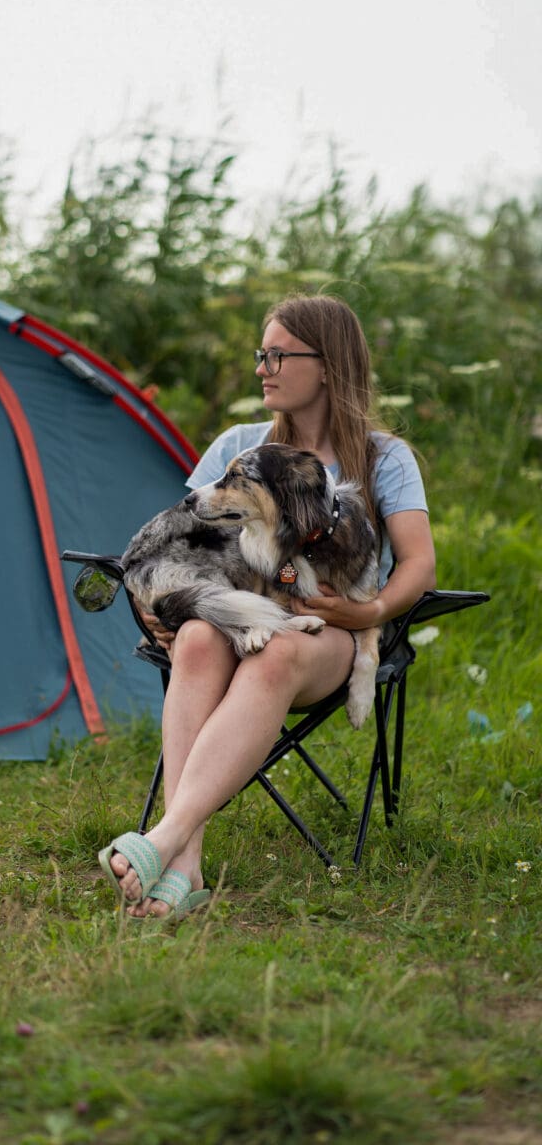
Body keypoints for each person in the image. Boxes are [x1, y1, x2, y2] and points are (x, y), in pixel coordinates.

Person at [98, 294, 437, 921]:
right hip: (241, 617)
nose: (263, 368)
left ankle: (162, 838)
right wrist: (161, 600)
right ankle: (185, 864)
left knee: (277, 653)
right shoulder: (239, 445)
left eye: (277, 355)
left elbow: (419, 563)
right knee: (198, 640)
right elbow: (188, 536)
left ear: (329, 365)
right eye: (262, 354)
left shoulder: (384, 457)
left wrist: (371, 613)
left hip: (332, 633)